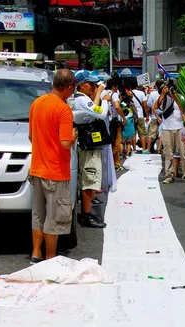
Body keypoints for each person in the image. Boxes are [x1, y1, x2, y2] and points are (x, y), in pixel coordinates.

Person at [28, 69, 77, 264]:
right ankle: (50, 258)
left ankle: (35, 254)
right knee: (55, 217)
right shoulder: (63, 109)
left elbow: (31, 136)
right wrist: (74, 136)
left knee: (38, 214)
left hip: (37, 169)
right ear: (69, 88)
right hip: (56, 171)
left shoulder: (37, 103)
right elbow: (65, 142)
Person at [74, 71, 110, 228]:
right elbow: (100, 113)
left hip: (89, 145)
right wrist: (105, 99)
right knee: (90, 178)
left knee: (90, 178)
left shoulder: (83, 99)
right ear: (82, 85)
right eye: (93, 85)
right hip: (88, 147)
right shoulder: (81, 99)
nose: (95, 87)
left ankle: (86, 214)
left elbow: (94, 109)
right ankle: (87, 216)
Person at [157, 83, 185, 184]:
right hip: (167, 127)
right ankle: (169, 175)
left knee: (183, 151)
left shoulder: (181, 98)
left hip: (180, 127)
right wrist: (163, 94)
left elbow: (183, 109)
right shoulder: (163, 98)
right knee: (168, 153)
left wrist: (175, 97)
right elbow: (155, 107)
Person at [106, 78, 127, 171]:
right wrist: (123, 117)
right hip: (114, 123)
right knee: (117, 142)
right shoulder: (114, 94)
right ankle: (112, 163)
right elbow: (117, 106)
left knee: (109, 143)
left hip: (105, 122)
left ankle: (116, 163)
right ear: (114, 87)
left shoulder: (103, 93)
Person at [131, 83, 149, 153]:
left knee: (133, 133)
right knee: (142, 133)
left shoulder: (129, 93)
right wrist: (147, 116)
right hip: (140, 115)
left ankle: (134, 149)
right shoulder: (141, 93)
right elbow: (145, 105)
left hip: (132, 115)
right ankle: (144, 149)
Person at [147, 80, 163, 152]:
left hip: (154, 115)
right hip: (163, 116)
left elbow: (149, 104)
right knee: (161, 133)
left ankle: (148, 149)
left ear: (156, 86)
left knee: (151, 133)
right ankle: (159, 148)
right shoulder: (165, 93)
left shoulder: (152, 94)